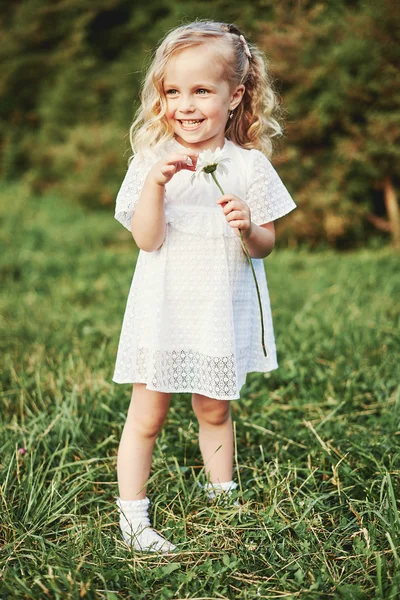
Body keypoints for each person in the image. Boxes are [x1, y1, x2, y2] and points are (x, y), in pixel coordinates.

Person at [112, 20, 296, 553]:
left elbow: (266, 245)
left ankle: (222, 498)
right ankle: (134, 520)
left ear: (235, 96)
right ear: (160, 97)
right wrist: (156, 184)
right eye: (172, 92)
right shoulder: (151, 162)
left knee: (214, 408)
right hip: (163, 308)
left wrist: (249, 226)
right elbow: (147, 240)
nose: (185, 105)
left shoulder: (249, 166)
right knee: (147, 413)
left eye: (201, 91)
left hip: (217, 310)